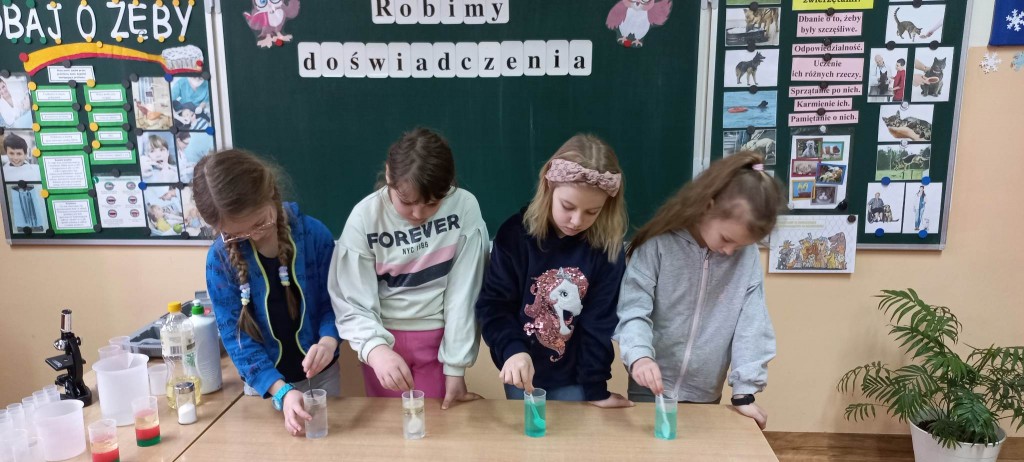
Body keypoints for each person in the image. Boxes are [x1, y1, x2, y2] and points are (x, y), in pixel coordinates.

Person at [614, 152, 783, 430]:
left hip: (705, 392)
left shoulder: (747, 257)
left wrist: (744, 392)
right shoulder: (658, 244)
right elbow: (633, 309)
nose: (730, 251)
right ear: (707, 206)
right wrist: (640, 356)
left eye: (740, 246)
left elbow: (751, 324)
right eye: (726, 238)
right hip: (650, 386)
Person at [329, 127, 488, 410]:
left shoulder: (463, 207)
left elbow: (465, 293)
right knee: (391, 427)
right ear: (389, 176)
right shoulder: (365, 217)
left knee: (438, 424)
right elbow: (351, 300)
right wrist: (376, 350)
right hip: (384, 342)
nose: (418, 214)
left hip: (438, 340)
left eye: (432, 204)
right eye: (406, 202)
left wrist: (455, 367)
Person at [476, 134, 632, 407]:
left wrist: (595, 389)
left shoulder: (606, 249)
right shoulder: (514, 236)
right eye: (568, 207)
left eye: (592, 212)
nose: (576, 220)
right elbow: (494, 306)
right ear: (549, 186)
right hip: (522, 371)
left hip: (576, 379)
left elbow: (598, 323)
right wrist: (512, 351)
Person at [197, 149, 341, 436]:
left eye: (259, 223)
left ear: (271, 194)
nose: (253, 236)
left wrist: (328, 341)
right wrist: (281, 391)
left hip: (322, 379)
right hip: (262, 388)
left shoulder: (314, 236)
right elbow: (236, 339)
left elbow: (334, 304)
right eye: (236, 234)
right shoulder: (220, 260)